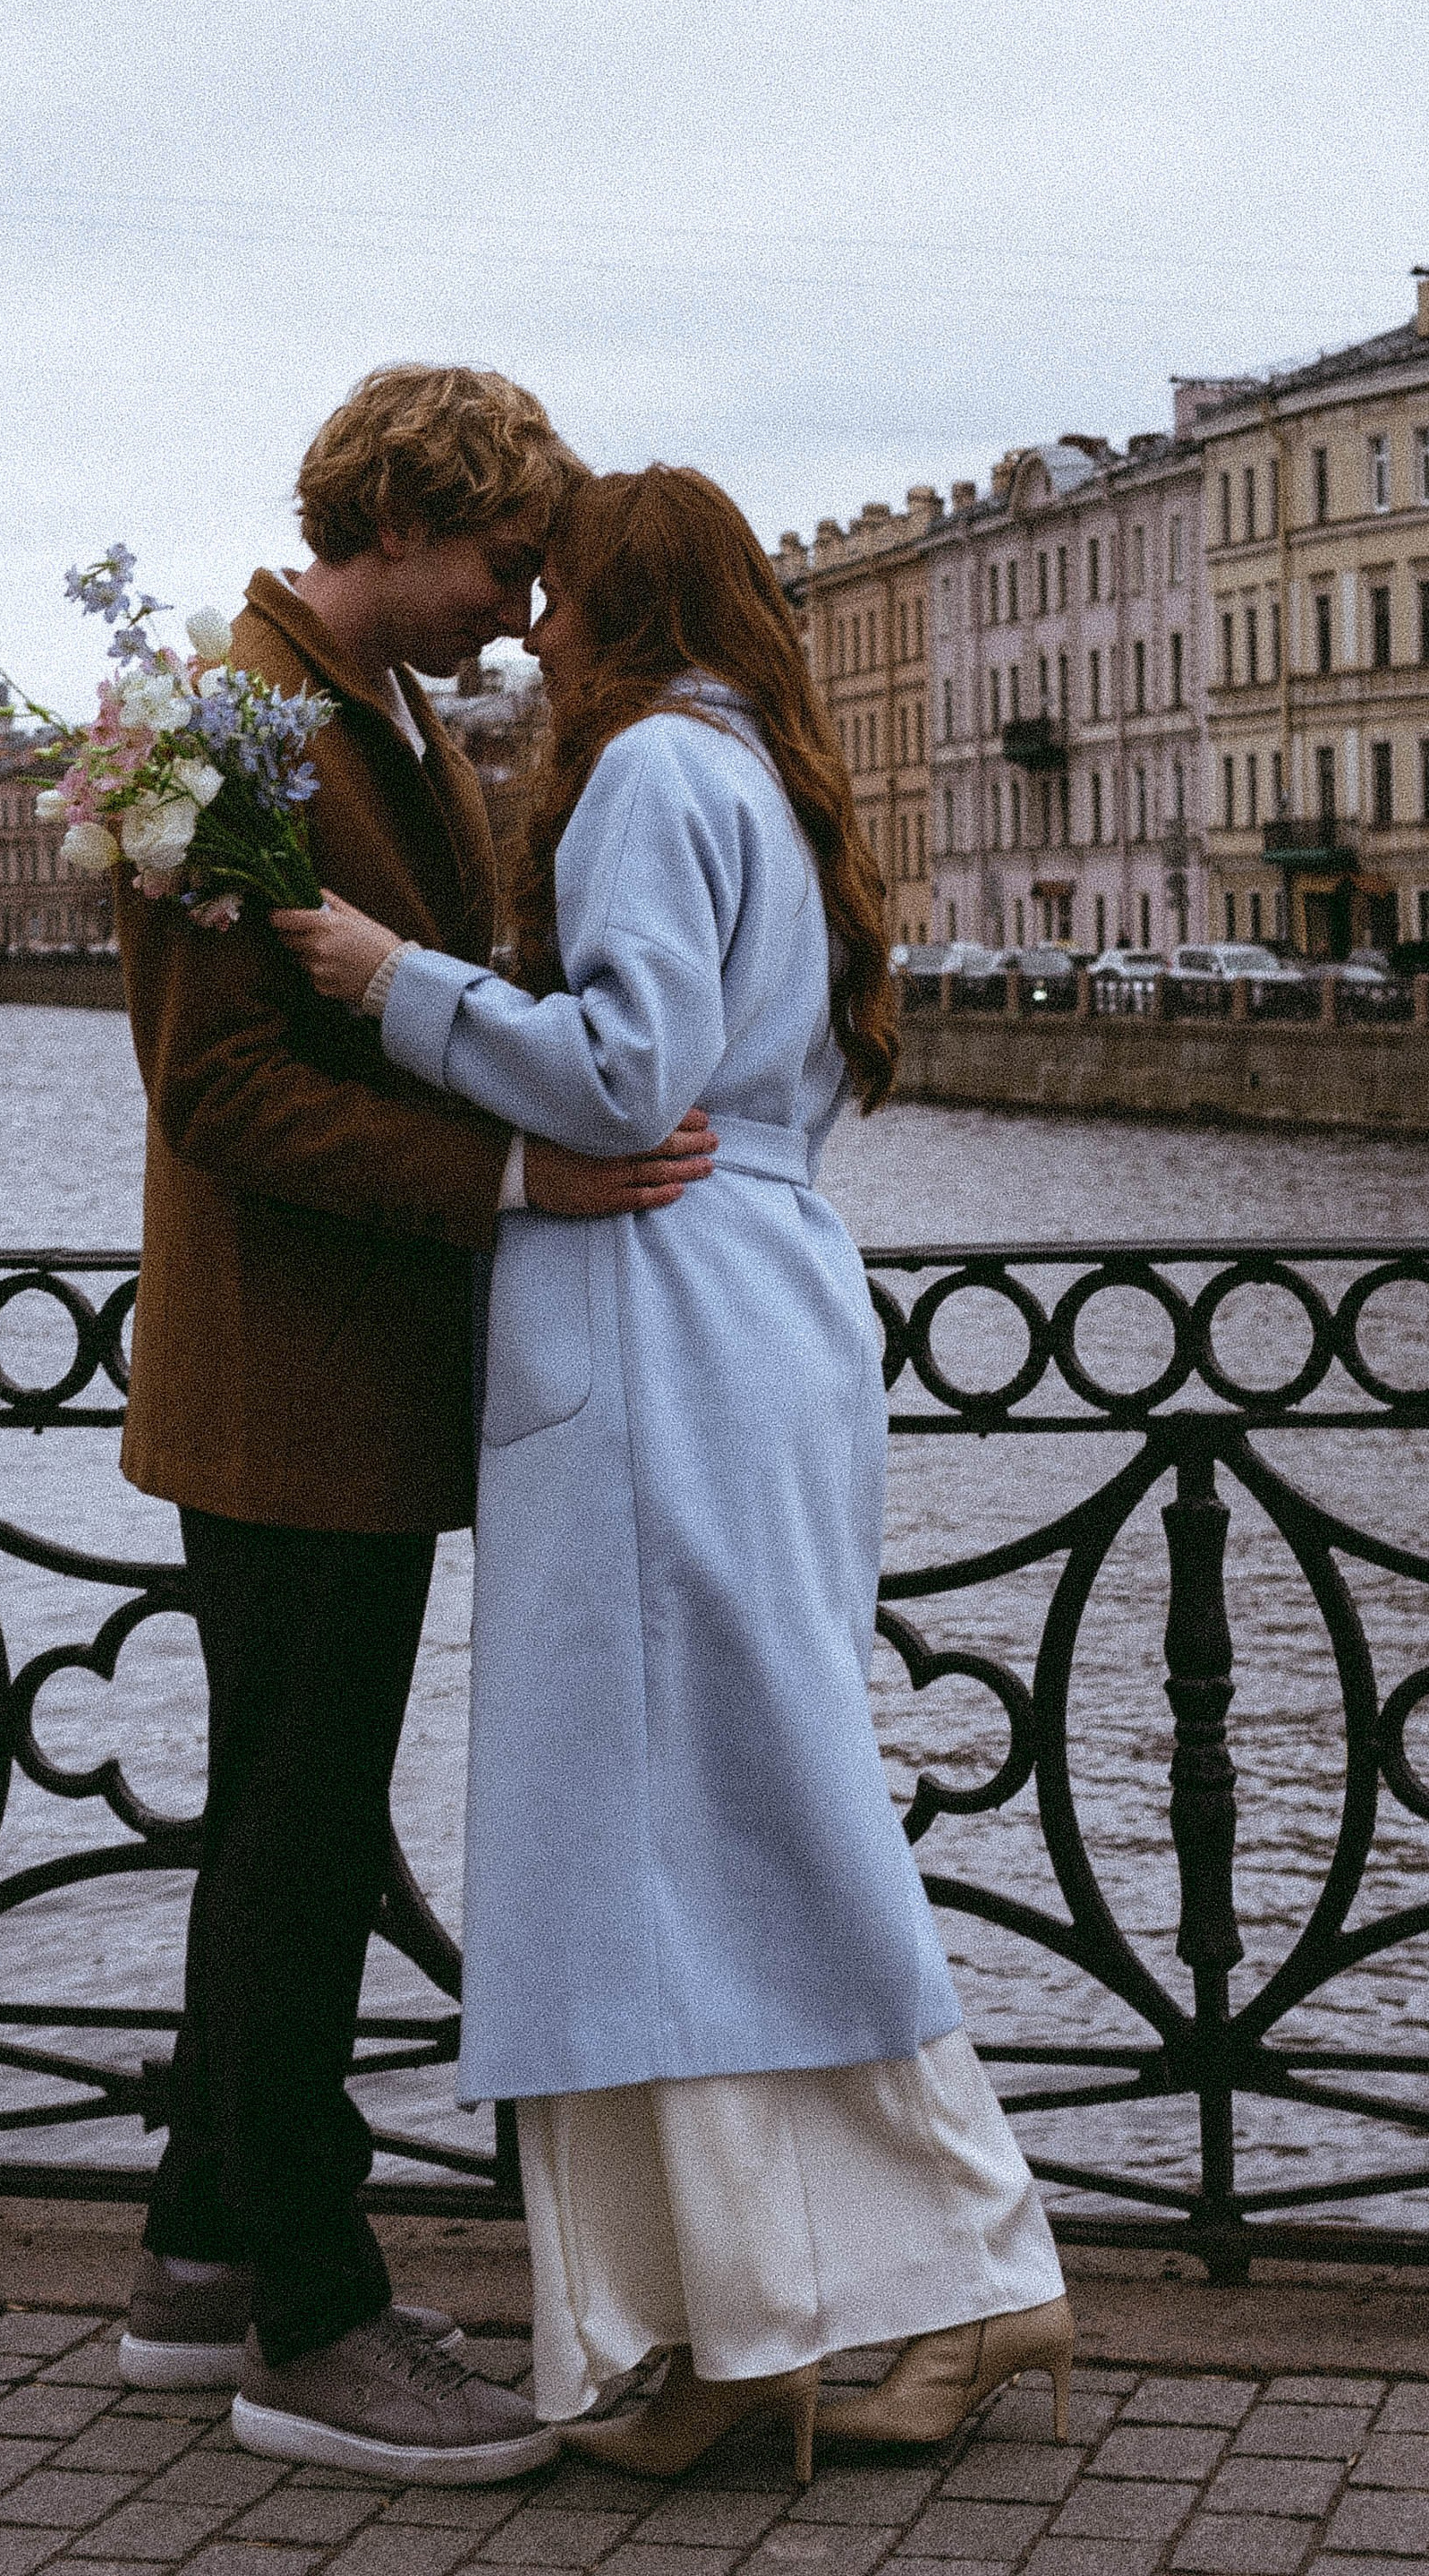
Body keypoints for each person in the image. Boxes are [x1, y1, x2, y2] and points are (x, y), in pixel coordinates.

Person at [272, 465, 1071, 2482]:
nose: (530, 634)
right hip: (750, 1306)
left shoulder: (639, 773)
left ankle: (922, 2279)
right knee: (711, 1819)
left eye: (556, 599)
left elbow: (632, 1077)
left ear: (618, 605)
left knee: (690, 1825)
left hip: (652, 1322)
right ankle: (750, 2320)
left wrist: (401, 986)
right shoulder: (762, 779)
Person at [115, 369, 716, 2485]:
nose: (517, 605)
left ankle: (200, 2254)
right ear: (404, 515)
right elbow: (219, 1092)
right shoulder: (220, 717)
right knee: (295, 1846)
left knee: (294, 1822)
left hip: (354, 1382)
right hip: (283, 1384)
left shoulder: (367, 720)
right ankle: (317, 2319)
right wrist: (508, 1184)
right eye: (501, 561)